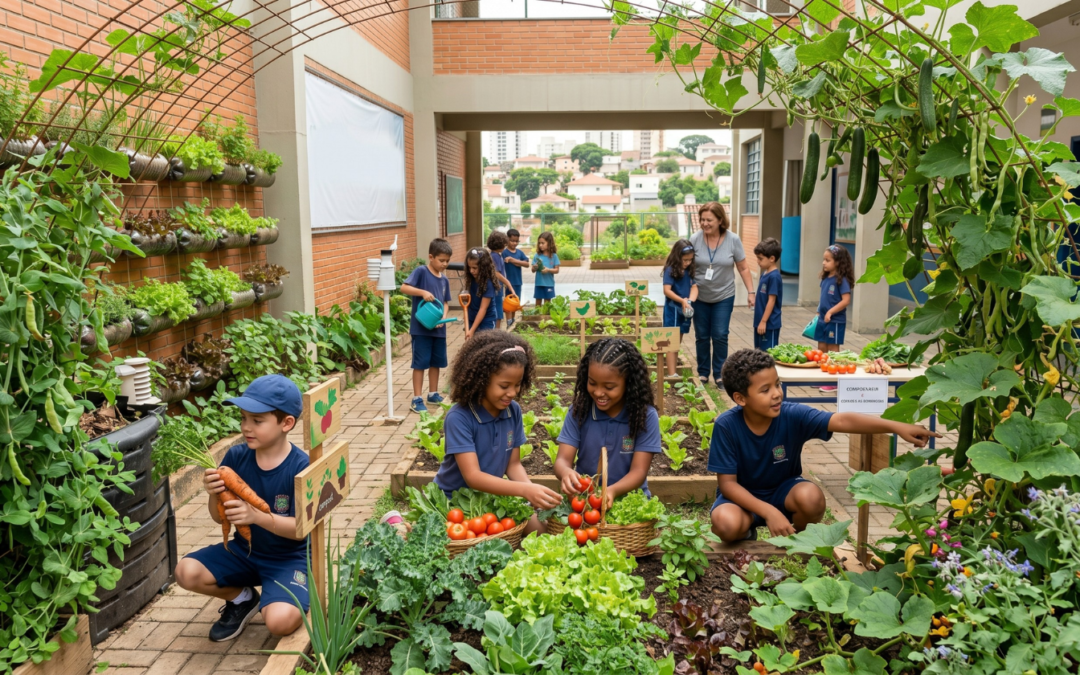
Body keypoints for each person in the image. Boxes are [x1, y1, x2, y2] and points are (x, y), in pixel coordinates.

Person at [708, 350, 939, 542]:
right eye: (765, 390)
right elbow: (728, 486)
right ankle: (748, 531)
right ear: (740, 399)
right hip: (742, 499)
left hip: (783, 492)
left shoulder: (792, 415)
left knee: (812, 498)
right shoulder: (726, 426)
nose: (777, 394)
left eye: (777, 384)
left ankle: (796, 539)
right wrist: (768, 512)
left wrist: (897, 426)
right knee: (725, 524)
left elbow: (841, 420)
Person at [173, 375, 310, 641]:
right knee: (185, 572)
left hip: (289, 558)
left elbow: (301, 531)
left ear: (287, 423)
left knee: (280, 622)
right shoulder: (236, 457)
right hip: (244, 551)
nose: (246, 427)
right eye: (244, 417)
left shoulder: (300, 467)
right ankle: (243, 599)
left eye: (257, 421)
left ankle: (293, 590)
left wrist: (256, 517)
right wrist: (214, 494)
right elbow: (217, 517)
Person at [433, 331, 562, 532]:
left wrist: (532, 495)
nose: (512, 393)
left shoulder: (513, 411)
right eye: (504, 386)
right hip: (454, 503)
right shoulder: (459, 418)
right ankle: (397, 522)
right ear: (481, 380)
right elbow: (473, 476)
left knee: (542, 531)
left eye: (518, 385)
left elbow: (513, 464)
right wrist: (525, 490)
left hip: (491, 499)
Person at [554, 338, 662, 508]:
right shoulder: (579, 411)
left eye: (609, 387)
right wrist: (566, 472)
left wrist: (611, 491)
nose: (598, 392)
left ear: (629, 384)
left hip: (629, 500)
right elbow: (562, 460)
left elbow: (639, 471)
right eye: (592, 383)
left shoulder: (644, 416)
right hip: (586, 501)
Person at [689, 202, 755, 388]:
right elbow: (685, 265)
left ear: (720, 220)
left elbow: (743, 267)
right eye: (702, 219)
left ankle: (720, 374)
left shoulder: (733, 240)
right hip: (699, 295)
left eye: (709, 220)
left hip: (724, 295)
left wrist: (751, 292)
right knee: (702, 335)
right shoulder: (695, 239)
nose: (705, 223)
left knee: (719, 334)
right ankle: (703, 373)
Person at [400, 238, 453, 414]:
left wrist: (443, 316)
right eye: (441, 260)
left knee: (435, 362)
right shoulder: (421, 272)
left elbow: (445, 303)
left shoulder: (444, 280)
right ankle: (416, 398)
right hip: (421, 329)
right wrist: (422, 292)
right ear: (431, 257)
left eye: (447, 261)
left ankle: (433, 393)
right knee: (420, 363)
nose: (444, 264)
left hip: (438, 329)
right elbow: (404, 288)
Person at [816, 245, 854, 392]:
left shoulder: (842, 280)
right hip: (823, 319)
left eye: (828, 260)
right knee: (821, 349)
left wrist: (831, 312)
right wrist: (820, 311)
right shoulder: (826, 278)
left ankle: (833, 382)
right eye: (823, 259)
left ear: (838, 262)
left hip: (835, 321)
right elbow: (823, 297)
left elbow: (846, 301)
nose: (823, 263)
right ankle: (823, 379)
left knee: (832, 350)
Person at [661, 239, 698, 378]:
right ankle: (671, 374)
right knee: (671, 342)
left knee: (678, 341)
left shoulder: (689, 270)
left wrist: (690, 300)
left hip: (684, 310)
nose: (688, 262)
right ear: (677, 256)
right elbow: (667, 290)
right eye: (685, 260)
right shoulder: (670, 270)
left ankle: (673, 371)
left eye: (690, 260)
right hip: (673, 310)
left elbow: (694, 287)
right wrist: (682, 300)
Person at [753, 237, 783, 352]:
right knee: (758, 354)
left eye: (760, 258)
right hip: (759, 322)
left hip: (769, 324)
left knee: (768, 356)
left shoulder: (774, 276)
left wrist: (764, 321)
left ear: (772, 258)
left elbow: (772, 300)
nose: (758, 261)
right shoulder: (765, 273)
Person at [463, 247, 498, 339]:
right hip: (472, 317)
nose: (471, 271)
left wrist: (472, 330)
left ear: (483, 267)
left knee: (485, 346)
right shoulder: (471, 279)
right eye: (469, 267)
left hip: (487, 320)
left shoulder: (488, 284)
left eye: (474, 268)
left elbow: (483, 309)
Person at [502, 228, 529, 326]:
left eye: (516, 241)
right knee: (508, 303)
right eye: (512, 241)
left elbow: (526, 264)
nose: (514, 243)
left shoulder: (519, 253)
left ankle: (512, 320)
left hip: (518, 282)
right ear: (507, 240)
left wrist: (514, 260)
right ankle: (508, 321)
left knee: (515, 303)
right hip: (508, 283)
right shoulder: (504, 253)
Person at [487, 230, 514, 330]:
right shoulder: (495, 256)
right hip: (496, 289)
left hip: (497, 288)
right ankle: (497, 333)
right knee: (498, 312)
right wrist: (507, 282)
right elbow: (496, 273)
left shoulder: (496, 255)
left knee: (497, 310)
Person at [531, 231, 560, 308]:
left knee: (547, 303)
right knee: (538, 302)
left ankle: (546, 318)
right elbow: (532, 270)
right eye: (539, 243)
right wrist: (535, 267)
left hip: (549, 284)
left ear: (549, 243)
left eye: (543, 243)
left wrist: (548, 270)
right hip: (539, 283)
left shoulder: (554, 256)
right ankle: (537, 317)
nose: (540, 245)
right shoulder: (537, 255)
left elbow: (557, 270)